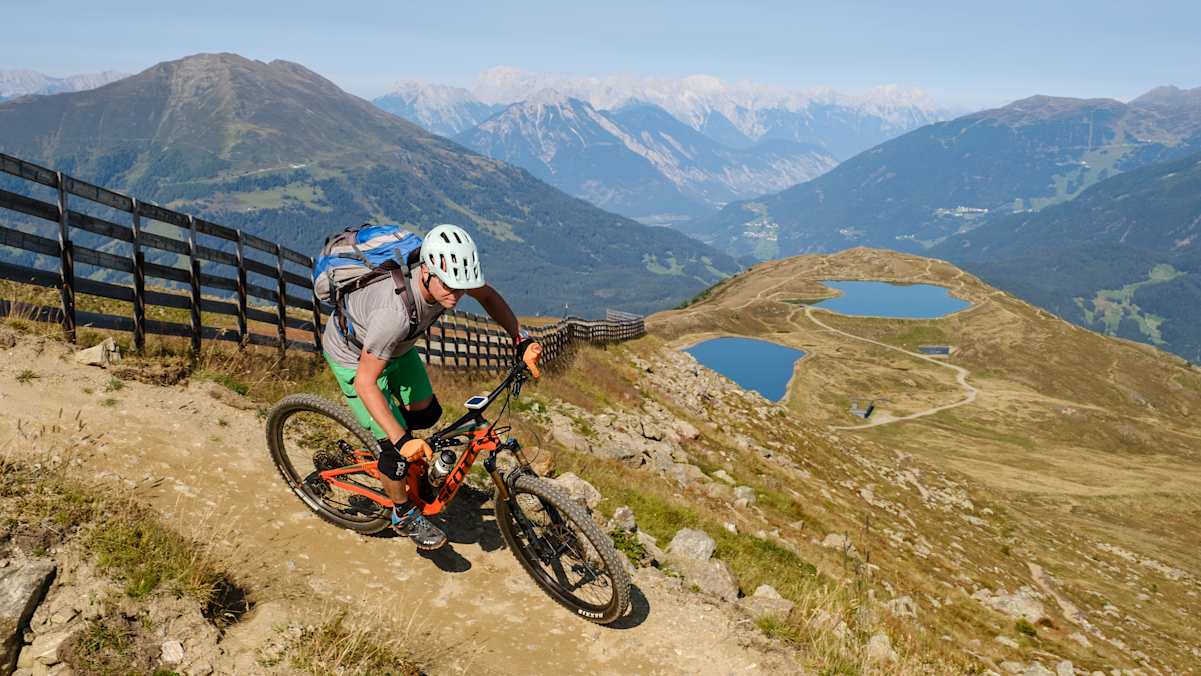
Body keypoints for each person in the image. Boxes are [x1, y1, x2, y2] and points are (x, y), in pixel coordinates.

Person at [321, 223, 541, 550]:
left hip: (398, 348)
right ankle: (402, 511)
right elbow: (367, 382)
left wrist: (520, 339)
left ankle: (404, 464)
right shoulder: (393, 313)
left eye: (462, 287)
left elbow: (489, 295)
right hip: (356, 359)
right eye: (450, 286)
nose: (456, 295)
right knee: (395, 451)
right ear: (426, 272)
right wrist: (399, 439)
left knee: (427, 413)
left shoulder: (450, 279)